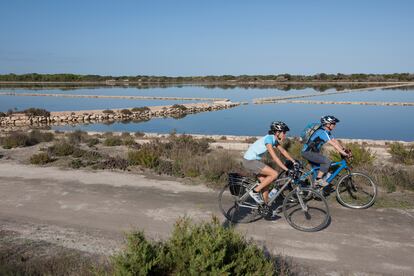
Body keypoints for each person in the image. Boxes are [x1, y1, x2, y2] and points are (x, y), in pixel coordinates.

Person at [242, 121, 296, 204]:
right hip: (250, 161)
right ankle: (254, 191)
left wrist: (293, 161)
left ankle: (265, 206)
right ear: (277, 132)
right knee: (274, 174)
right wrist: (286, 169)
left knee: (265, 184)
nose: (285, 134)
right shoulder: (268, 140)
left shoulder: (273, 139)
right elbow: (275, 157)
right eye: (284, 132)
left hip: (254, 161)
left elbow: (283, 151)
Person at [301, 115, 350, 187]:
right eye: (333, 123)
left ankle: (313, 190)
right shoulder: (322, 132)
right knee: (327, 161)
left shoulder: (327, 132)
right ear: (327, 124)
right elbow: (333, 144)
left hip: (312, 153)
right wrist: (344, 154)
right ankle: (318, 180)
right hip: (308, 152)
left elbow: (335, 141)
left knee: (319, 171)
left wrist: (343, 150)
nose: (335, 125)